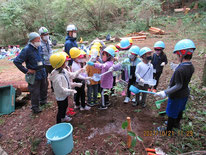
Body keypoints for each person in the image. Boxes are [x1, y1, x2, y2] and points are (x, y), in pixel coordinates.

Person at [156, 39, 195, 132]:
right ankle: (176, 124)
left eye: (177, 55)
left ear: (181, 54)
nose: (177, 57)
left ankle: (168, 130)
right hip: (185, 94)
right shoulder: (190, 66)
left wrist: (165, 92)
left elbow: (178, 85)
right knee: (180, 109)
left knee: (172, 112)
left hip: (176, 95)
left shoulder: (180, 70)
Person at [13, 32, 47, 114]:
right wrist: (26, 70)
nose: (39, 40)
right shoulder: (26, 49)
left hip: (42, 72)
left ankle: (43, 102)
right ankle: (35, 108)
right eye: (38, 39)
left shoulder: (38, 47)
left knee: (44, 88)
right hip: (34, 75)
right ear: (32, 40)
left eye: (39, 39)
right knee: (35, 92)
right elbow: (16, 61)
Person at [49, 52, 83, 123]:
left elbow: (71, 75)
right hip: (61, 96)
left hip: (65, 94)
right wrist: (71, 91)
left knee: (65, 106)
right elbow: (61, 89)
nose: (66, 62)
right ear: (60, 64)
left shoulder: (63, 71)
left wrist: (79, 71)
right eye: (65, 61)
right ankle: (59, 122)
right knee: (61, 108)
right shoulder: (57, 77)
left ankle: (63, 117)